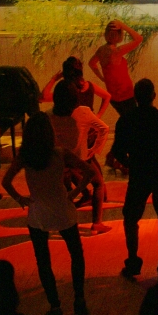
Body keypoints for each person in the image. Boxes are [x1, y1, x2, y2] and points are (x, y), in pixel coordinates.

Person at [1, 112, 96, 315]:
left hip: (38, 212)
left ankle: (55, 305)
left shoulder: (24, 156)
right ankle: (79, 299)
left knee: (43, 261)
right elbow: (89, 171)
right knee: (76, 254)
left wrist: (20, 198)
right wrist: (75, 192)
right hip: (62, 208)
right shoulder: (60, 153)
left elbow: (5, 181)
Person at [112, 79, 158, 280]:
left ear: (135, 97)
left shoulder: (126, 120)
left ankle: (133, 261)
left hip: (139, 174)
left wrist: (129, 164)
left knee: (131, 218)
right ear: (153, 96)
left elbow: (117, 151)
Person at [48, 80, 111, 234]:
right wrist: (94, 150)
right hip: (81, 160)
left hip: (60, 162)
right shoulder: (83, 112)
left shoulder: (48, 115)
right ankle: (96, 224)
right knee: (98, 184)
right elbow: (104, 129)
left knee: (63, 191)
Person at [89, 19, 143, 118]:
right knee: (134, 121)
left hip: (113, 96)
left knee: (126, 120)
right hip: (125, 95)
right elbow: (139, 39)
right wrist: (123, 25)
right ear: (119, 35)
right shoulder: (117, 51)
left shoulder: (101, 50)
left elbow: (91, 63)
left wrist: (102, 78)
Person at [40, 56, 110, 119]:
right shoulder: (89, 85)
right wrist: (98, 115)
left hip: (71, 125)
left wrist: (54, 79)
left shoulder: (66, 89)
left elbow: (44, 97)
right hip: (89, 124)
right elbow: (107, 96)